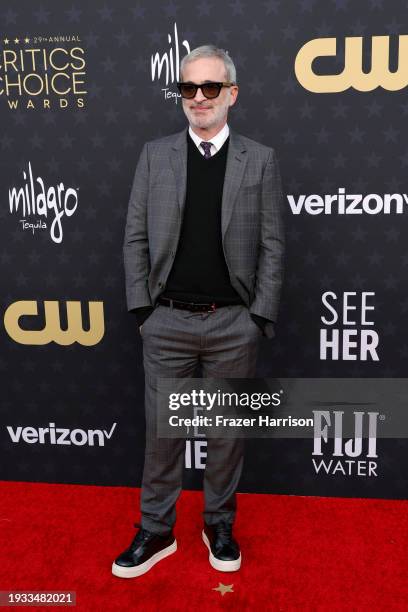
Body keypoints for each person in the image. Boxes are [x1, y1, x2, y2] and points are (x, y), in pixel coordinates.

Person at [112, 44, 285, 578]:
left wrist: (258, 318)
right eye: (189, 88)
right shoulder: (155, 154)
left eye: (211, 88)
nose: (199, 98)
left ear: (232, 94)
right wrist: (143, 309)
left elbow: (274, 246)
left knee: (226, 435)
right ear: (180, 94)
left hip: (234, 323)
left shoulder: (260, 159)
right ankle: (157, 529)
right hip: (165, 322)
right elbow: (135, 237)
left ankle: (218, 523)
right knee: (162, 435)